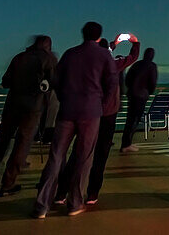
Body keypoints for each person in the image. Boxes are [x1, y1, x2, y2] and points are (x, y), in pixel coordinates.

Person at [33, 22, 117, 219]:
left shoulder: (70, 54)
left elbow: (56, 79)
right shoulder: (104, 55)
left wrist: (64, 98)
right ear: (98, 36)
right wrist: (101, 105)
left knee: (56, 157)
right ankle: (74, 203)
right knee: (84, 158)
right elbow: (112, 83)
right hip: (91, 112)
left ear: (83, 34)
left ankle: (42, 205)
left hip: (67, 110)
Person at [0, 36, 57, 197]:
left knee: (1, 142)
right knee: (22, 144)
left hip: (11, 105)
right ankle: (8, 184)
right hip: (32, 108)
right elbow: (54, 82)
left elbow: (5, 82)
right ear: (47, 46)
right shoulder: (49, 59)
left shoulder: (20, 57)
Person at [77, 34, 139, 203]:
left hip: (88, 112)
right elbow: (133, 57)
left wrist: (114, 43)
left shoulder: (87, 65)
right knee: (101, 154)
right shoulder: (113, 64)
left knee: (81, 151)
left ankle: (64, 192)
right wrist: (135, 42)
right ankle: (92, 193)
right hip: (108, 114)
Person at [120, 47, 158, 152]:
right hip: (141, 96)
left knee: (129, 119)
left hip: (131, 95)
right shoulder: (152, 66)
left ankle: (125, 143)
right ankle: (126, 144)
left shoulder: (136, 64)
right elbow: (153, 82)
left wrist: (131, 89)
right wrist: (148, 92)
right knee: (135, 120)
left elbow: (127, 79)